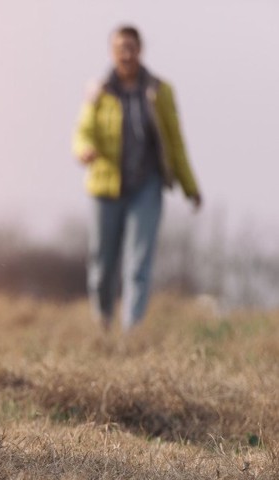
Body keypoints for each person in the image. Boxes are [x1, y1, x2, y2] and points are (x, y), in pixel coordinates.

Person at [72, 25, 202, 332]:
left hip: (147, 185)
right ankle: (103, 319)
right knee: (102, 263)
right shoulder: (98, 90)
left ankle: (132, 330)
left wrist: (190, 187)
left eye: (131, 47)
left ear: (140, 50)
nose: (126, 54)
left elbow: (175, 141)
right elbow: (82, 132)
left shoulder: (159, 90)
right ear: (112, 52)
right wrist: (84, 150)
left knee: (138, 261)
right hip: (105, 186)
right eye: (120, 48)